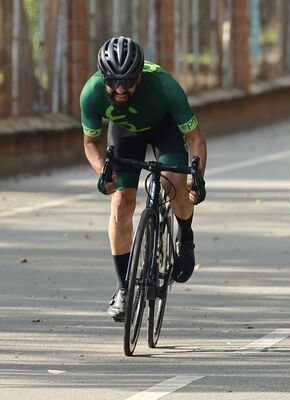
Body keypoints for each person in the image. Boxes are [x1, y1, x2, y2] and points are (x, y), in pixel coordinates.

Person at [80, 36, 207, 322]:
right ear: (104, 78)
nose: (121, 89)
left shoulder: (164, 86)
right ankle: (123, 288)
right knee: (121, 204)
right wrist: (103, 170)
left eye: (128, 81)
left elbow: (195, 137)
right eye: (113, 82)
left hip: (165, 129)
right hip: (125, 133)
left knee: (174, 183)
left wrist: (196, 178)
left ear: (140, 76)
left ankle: (185, 235)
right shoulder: (91, 93)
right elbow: (90, 143)